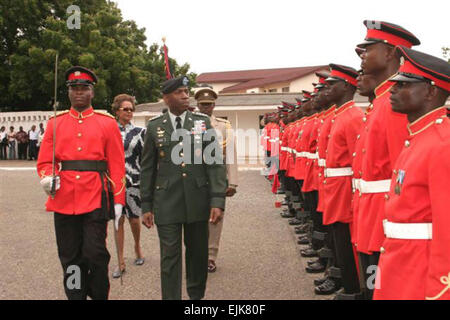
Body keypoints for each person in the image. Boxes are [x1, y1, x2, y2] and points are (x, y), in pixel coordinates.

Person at [36, 66, 126, 300]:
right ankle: (75, 295)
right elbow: (46, 160)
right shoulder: (55, 123)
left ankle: (98, 295)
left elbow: (116, 165)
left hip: (95, 195)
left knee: (95, 253)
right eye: (74, 89)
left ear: (91, 92)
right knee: (70, 256)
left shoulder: (107, 123)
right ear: (68, 93)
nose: (78, 93)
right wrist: (47, 177)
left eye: (83, 88)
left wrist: (118, 201)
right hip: (64, 197)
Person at [140, 75, 227, 300]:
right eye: (179, 92)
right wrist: (146, 205)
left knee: (198, 255)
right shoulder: (154, 127)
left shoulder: (202, 122)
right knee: (170, 256)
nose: (185, 96)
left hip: (198, 199)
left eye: (186, 91)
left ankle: (196, 298)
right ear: (166, 98)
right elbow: (147, 169)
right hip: (166, 201)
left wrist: (218, 200)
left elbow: (215, 163)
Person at [373, 47, 450, 300]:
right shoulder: (417, 137)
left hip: (421, 270)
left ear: (430, 91)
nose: (392, 90)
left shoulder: (442, 143)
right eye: (394, 83)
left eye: (404, 85)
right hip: (401, 261)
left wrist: (441, 288)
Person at [354, 20, 420, 297]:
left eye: (368, 49)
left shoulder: (394, 104)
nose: (362, 55)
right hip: (371, 214)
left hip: (384, 217)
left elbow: (400, 172)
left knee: (379, 286)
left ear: (392, 53)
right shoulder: (380, 102)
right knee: (371, 285)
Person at [321, 64, 363, 299]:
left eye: (332, 84)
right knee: (338, 238)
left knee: (346, 241)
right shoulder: (341, 115)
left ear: (346, 86)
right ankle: (344, 283)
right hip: (335, 186)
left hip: (346, 188)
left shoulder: (354, 116)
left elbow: (359, 159)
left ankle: (352, 288)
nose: (327, 89)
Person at [194, 86, 238, 273]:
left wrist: (232, 181)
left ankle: (211, 256)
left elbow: (231, 155)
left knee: (215, 218)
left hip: (217, 180)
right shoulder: (190, 124)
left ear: (214, 105)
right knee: (195, 218)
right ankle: (196, 255)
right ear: (197, 105)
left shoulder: (223, 126)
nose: (206, 108)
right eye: (202, 105)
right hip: (195, 179)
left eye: (209, 105)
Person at [110, 93, 146, 279]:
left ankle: (137, 246)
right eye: (126, 109)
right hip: (114, 183)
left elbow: (145, 159)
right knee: (118, 221)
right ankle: (120, 261)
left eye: (132, 109)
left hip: (134, 182)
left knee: (134, 219)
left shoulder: (140, 132)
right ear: (117, 111)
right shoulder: (108, 130)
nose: (130, 112)